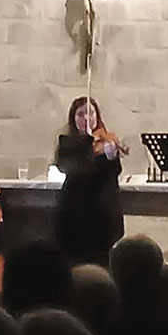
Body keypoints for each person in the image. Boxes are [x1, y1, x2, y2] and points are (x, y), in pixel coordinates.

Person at [55, 96, 124, 267]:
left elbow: (114, 171)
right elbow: (65, 165)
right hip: (74, 209)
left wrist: (111, 154)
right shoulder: (68, 143)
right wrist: (85, 145)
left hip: (102, 210)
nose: (86, 118)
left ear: (97, 116)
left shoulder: (106, 141)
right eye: (80, 114)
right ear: (73, 118)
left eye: (91, 113)